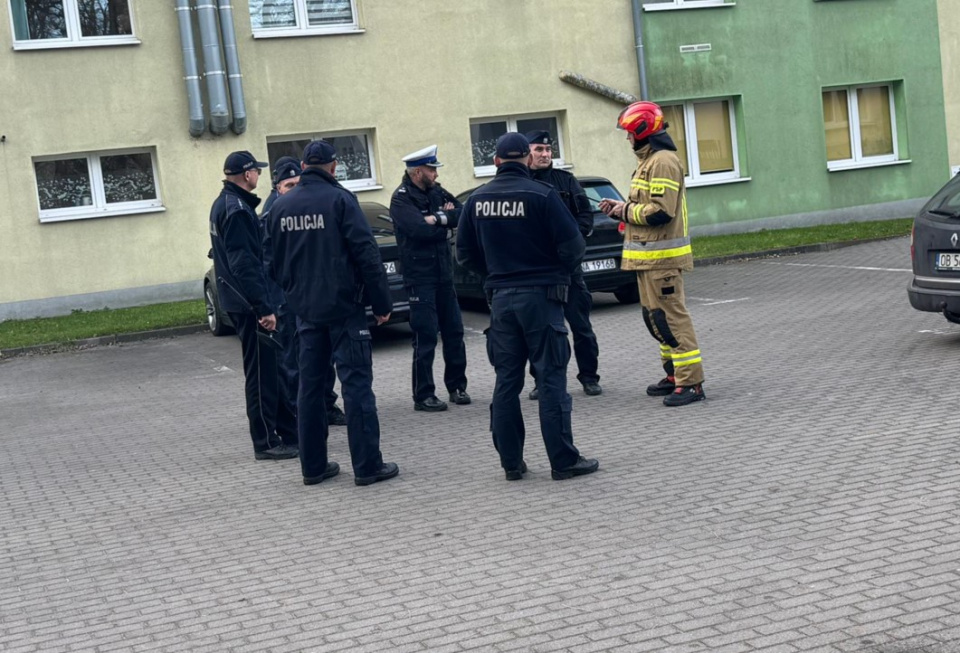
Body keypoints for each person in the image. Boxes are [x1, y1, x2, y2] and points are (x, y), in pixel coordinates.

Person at [456, 132, 599, 482]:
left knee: (507, 381)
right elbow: (574, 246)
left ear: (496, 162)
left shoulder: (477, 200)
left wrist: (494, 276)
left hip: (501, 302)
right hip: (542, 297)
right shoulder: (542, 194)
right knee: (551, 380)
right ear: (527, 160)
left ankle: (511, 463)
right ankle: (563, 461)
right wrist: (557, 270)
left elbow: (463, 255)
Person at [265, 139, 399, 486]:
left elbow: (272, 262)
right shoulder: (341, 200)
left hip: (304, 312)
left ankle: (313, 467)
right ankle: (368, 466)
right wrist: (382, 303)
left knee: (309, 389)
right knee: (356, 387)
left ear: (304, 166)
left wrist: (294, 295)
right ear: (334, 166)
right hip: (344, 309)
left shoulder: (281, 206)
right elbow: (366, 253)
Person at [598, 101, 706, 407]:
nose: (628, 139)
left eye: (630, 133)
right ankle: (674, 375)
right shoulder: (648, 162)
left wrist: (625, 210)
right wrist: (621, 211)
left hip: (663, 261)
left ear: (643, 132)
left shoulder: (662, 162)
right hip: (648, 260)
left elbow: (661, 212)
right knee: (655, 318)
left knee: (673, 319)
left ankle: (691, 383)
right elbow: (644, 209)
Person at [208, 150, 299, 461]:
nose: (259, 176)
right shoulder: (237, 211)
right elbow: (245, 264)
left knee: (272, 371)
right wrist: (263, 308)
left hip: (242, 300)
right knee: (261, 375)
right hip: (249, 305)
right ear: (246, 175)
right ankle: (265, 442)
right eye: (256, 171)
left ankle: (289, 433)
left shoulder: (228, 204)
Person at [262, 158, 348, 428]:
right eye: (289, 184)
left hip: (311, 295)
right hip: (286, 298)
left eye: (298, 182)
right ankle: (299, 412)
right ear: (277, 187)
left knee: (324, 357)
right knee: (293, 360)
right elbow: (270, 263)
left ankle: (326, 403)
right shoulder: (272, 214)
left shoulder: (305, 205)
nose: (294, 188)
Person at [389, 145, 469, 412]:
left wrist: (438, 218)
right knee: (425, 337)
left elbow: (462, 214)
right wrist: (444, 227)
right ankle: (423, 395)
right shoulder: (401, 199)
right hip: (419, 277)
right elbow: (418, 230)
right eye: (432, 169)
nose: (435, 173)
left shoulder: (437, 191)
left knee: (455, 332)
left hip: (443, 275)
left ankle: (457, 386)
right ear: (417, 171)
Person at [524, 130, 602, 400]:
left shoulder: (566, 181)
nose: (545, 155)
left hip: (568, 269)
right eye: (539, 150)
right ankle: (541, 380)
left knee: (581, 327)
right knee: (540, 332)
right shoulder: (521, 182)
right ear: (527, 153)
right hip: (538, 271)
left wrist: (572, 244)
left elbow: (585, 216)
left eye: (548, 150)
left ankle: (589, 377)